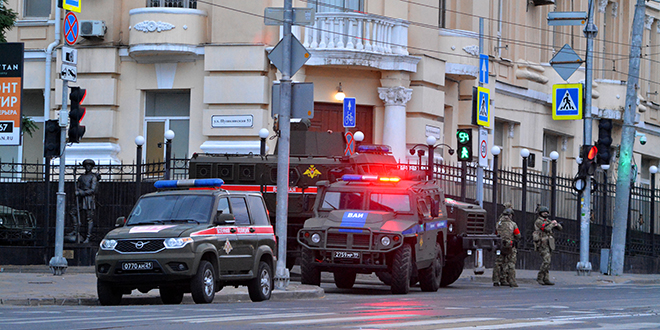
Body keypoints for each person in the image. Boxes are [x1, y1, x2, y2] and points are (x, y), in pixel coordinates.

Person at [492, 204, 521, 287]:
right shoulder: (513, 224)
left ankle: (496, 280)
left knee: (498, 263)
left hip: (500, 246)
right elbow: (518, 235)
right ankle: (511, 281)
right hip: (510, 246)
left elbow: (496, 233)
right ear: (510, 215)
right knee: (510, 263)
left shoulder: (498, 223)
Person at [533, 205, 563, 285]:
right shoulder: (539, 221)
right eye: (544, 212)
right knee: (546, 260)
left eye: (546, 212)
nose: (545, 213)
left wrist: (556, 224)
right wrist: (552, 224)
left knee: (548, 262)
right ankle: (540, 277)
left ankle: (546, 278)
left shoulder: (547, 221)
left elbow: (560, 228)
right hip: (542, 243)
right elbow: (546, 228)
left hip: (549, 243)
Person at [76, 159, 99, 243]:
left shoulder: (93, 177)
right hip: (81, 199)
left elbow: (93, 190)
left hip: (89, 200)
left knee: (89, 218)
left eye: (89, 166)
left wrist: (82, 192)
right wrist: (77, 191)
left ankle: (88, 237)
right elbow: (78, 187)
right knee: (73, 213)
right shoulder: (81, 177)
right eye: (86, 166)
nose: (88, 167)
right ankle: (76, 231)